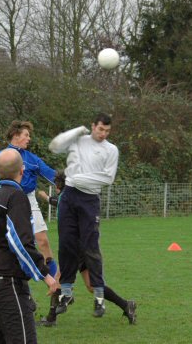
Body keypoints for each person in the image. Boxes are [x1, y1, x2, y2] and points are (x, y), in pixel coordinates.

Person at [0, 148, 58, 344]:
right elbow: (19, 242)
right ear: (22, 171)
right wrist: (45, 275)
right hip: (7, 283)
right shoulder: (16, 198)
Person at [37, 171, 137, 326]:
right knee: (92, 286)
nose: (55, 188)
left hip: (75, 248)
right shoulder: (70, 198)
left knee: (58, 279)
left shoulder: (68, 198)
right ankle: (126, 305)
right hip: (82, 248)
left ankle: (51, 318)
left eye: (56, 185)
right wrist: (44, 197)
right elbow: (56, 201)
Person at [48, 112, 121, 318]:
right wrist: (77, 130)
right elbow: (54, 146)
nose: (103, 134)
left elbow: (107, 178)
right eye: (100, 129)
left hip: (89, 200)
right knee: (67, 244)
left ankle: (99, 298)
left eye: (107, 130)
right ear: (93, 126)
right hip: (69, 197)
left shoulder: (111, 150)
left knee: (90, 247)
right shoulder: (78, 140)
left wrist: (77, 178)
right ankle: (66, 294)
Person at [0, 121, 58, 278]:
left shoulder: (32, 159)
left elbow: (52, 175)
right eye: (26, 135)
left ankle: (56, 287)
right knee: (8, 244)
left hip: (28, 200)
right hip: (4, 199)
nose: (29, 138)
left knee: (43, 241)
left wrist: (72, 181)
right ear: (16, 135)